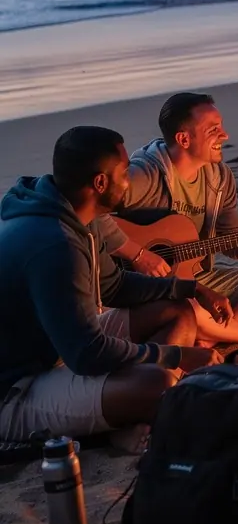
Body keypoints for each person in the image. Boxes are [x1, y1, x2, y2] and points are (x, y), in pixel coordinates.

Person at [0, 127, 221, 445]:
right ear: (100, 183)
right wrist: (174, 356)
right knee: (157, 384)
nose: (129, 179)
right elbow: (87, 354)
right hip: (17, 389)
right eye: (124, 173)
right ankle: (128, 416)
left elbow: (114, 286)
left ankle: (129, 411)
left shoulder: (77, 215)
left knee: (178, 312)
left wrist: (191, 288)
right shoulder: (54, 243)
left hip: (58, 350)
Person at [105, 93, 238, 344]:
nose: (224, 135)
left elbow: (234, 243)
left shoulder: (220, 178)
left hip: (198, 278)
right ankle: (225, 330)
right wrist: (139, 255)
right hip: (146, 289)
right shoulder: (144, 175)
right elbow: (87, 215)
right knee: (188, 310)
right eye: (213, 130)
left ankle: (212, 335)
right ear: (183, 139)